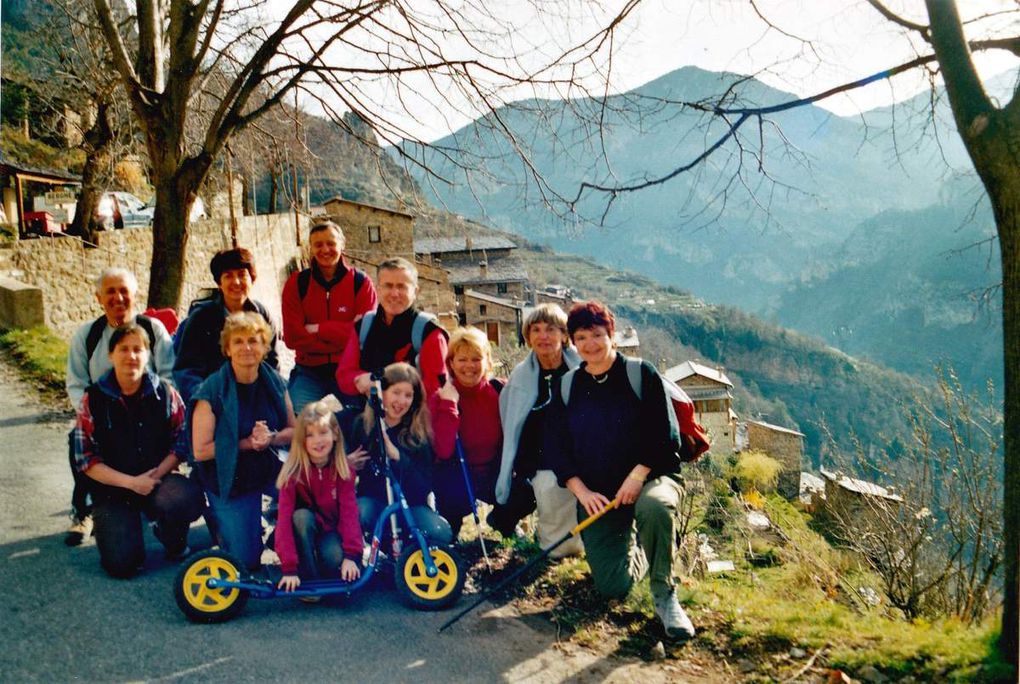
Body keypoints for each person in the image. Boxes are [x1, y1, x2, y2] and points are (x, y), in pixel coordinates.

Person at [546, 301, 695, 640]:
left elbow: (665, 435)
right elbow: (556, 446)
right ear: (572, 342)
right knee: (612, 587)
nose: (590, 345)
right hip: (600, 494)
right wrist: (582, 492)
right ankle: (649, 544)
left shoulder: (640, 374)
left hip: (652, 477)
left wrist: (638, 475)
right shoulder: (567, 386)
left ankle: (664, 594)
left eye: (597, 335)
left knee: (654, 507)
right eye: (581, 337)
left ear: (611, 335)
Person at [72, 323, 203, 578]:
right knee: (122, 565)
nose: (131, 356)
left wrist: (153, 477)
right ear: (111, 355)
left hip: (157, 481)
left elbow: (182, 441)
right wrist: (131, 483)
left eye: (138, 349)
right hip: (114, 488)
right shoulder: (93, 399)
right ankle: (118, 527)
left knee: (187, 498)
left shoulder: (166, 393)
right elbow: (84, 457)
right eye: (123, 349)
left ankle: (170, 535)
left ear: (148, 355)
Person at [65, 267, 176, 546]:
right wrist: (93, 413)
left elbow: (169, 375)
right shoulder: (87, 337)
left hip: (149, 416)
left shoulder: (153, 329)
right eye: (110, 291)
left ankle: (160, 511)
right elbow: (76, 382)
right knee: (77, 442)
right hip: (105, 418)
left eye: (124, 290)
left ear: (134, 294)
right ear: (98, 297)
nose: (118, 297)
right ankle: (84, 510)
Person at [190, 312, 295, 570]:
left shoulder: (276, 383)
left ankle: (276, 534)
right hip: (229, 475)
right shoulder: (211, 390)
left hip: (267, 466)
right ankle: (218, 524)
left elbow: (294, 430)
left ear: (264, 347)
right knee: (246, 563)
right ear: (227, 349)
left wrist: (270, 438)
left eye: (254, 340)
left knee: (307, 496)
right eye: (238, 341)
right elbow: (201, 451)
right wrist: (248, 443)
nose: (246, 347)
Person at [493, 303, 583, 557]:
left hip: (577, 459)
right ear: (528, 336)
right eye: (536, 330)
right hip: (535, 463)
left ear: (565, 335)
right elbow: (510, 423)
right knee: (556, 546)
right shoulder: (520, 379)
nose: (543, 336)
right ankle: (509, 520)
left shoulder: (580, 372)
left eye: (551, 329)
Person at [349, 362, 452, 546]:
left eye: (408, 395)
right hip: (376, 505)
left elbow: (424, 486)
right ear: (382, 392)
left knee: (441, 532)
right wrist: (349, 465)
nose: (402, 401)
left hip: (411, 508)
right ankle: (373, 546)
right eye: (396, 393)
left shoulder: (418, 434)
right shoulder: (362, 426)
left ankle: (410, 545)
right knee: (359, 510)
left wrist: (398, 457)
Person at [281, 221, 377, 414]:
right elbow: (292, 338)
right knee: (297, 419)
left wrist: (317, 329)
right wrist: (346, 333)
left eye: (331, 243)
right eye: (318, 244)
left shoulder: (361, 283)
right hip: (309, 371)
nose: (325, 249)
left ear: (342, 244)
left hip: (350, 366)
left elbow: (366, 335)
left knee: (367, 417)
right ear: (310, 248)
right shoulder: (296, 284)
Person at [275, 401, 364, 600]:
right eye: (309, 435)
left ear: (335, 434)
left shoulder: (343, 470)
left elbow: (350, 513)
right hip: (303, 531)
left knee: (335, 558)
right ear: (301, 441)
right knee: (301, 517)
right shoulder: (293, 474)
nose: (317, 441)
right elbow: (283, 520)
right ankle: (307, 576)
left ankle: (328, 566)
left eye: (323, 432)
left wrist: (352, 555)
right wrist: (289, 568)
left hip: (330, 532)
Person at [173, 247, 280, 404]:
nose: (236, 282)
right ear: (219, 283)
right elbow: (187, 370)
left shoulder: (262, 314)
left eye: (242, 275)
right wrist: (205, 399)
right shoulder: (201, 317)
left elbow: (272, 364)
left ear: (252, 278)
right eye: (228, 276)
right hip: (214, 398)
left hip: (255, 397)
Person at [335, 257, 448, 405]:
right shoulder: (364, 326)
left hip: (414, 420)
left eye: (402, 286)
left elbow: (435, 388)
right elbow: (344, 376)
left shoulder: (429, 332)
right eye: (388, 286)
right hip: (369, 416)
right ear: (378, 289)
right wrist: (360, 379)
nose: (394, 293)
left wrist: (379, 382)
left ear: (415, 291)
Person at [428, 326, 505, 539]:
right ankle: (453, 532)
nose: (469, 366)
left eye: (476, 358)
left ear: (487, 362)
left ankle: (503, 522)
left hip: (494, 473)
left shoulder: (500, 392)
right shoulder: (440, 398)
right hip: (458, 476)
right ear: (451, 363)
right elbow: (442, 450)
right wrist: (449, 405)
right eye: (462, 359)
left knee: (524, 493)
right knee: (448, 525)